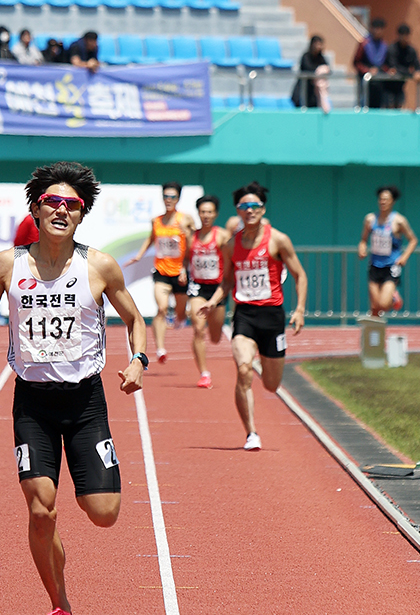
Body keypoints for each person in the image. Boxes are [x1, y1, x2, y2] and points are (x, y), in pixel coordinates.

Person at [0, 162, 148, 615]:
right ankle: (59, 607)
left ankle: (58, 552)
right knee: (41, 510)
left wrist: (138, 360)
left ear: (82, 215)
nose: (61, 210)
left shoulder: (98, 265)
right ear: (36, 209)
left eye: (72, 205)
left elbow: (135, 318)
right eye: (52, 202)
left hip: (85, 402)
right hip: (32, 403)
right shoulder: (7, 264)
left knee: (103, 512)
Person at [199, 182, 307, 452]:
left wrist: (301, 309)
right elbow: (226, 282)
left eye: (255, 206)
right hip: (244, 315)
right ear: (238, 210)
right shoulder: (231, 245)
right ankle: (251, 433)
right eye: (244, 206)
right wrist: (213, 301)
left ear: (263, 209)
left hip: (272, 317)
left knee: (271, 385)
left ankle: (265, 377)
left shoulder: (278, 240)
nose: (250, 211)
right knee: (244, 369)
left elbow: (299, 275)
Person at [124, 182, 194, 364]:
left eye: (172, 197)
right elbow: (151, 238)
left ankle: (180, 318)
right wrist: (139, 256)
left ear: (178, 199)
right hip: (161, 270)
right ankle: (160, 349)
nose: (168, 200)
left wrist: (185, 268)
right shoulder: (156, 221)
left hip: (180, 272)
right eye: (166, 196)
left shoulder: (185, 220)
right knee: (161, 308)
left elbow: (193, 246)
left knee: (180, 312)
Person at [186, 195, 229, 389]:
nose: (206, 216)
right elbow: (184, 259)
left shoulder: (222, 236)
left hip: (217, 289)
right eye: (203, 212)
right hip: (197, 287)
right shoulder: (191, 237)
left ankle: (215, 328)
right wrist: (180, 270)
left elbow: (231, 258)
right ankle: (204, 373)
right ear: (198, 213)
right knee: (197, 328)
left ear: (215, 214)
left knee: (215, 336)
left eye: (210, 212)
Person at [358, 185, 418, 316]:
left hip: (391, 266)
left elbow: (413, 240)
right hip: (374, 265)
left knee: (383, 305)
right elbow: (363, 240)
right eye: (380, 199)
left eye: (386, 199)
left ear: (392, 201)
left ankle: (393, 297)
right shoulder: (370, 219)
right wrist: (362, 249)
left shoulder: (399, 221)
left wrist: (404, 257)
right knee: (374, 307)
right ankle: (374, 336)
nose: (383, 202)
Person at [385, 24, 420, 109]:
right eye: (402, 35)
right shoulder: (392, 48)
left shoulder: (411, 50)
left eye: (406, 35)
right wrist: (411, 73)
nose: (404, 37)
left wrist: (418, 72)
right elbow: (394, 66)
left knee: (401, 107)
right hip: (388, 87)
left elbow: (417, 64)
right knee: (389, 108)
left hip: (400, 86)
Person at [353, 18, 388, 109]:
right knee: (365, 106)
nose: (378, 31)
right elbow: (356, 62)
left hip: (379, 83)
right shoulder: (364, 44)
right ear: (372, 29)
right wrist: (367, 70)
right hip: (366, 82)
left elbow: (386, 64)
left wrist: (382, 70)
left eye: (381, 29)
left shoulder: (384, 45)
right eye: (376, 28)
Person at [291, 35, 331, 112]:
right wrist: (318, 71)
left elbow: (327, 68)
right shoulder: (306, 56)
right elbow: (307, 68)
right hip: (304, 87)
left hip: (314, 91)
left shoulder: (320, 58)